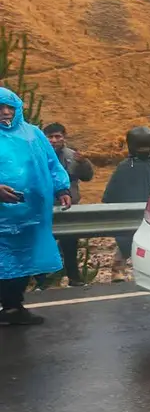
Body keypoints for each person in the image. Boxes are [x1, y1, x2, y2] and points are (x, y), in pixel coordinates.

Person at [0, 88, 72, 325]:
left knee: (23, 263)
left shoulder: (33, 135)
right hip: (2, 218)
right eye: (0, 107)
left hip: (31, 214)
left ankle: (13, 308)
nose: (6, 112)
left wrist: (62, 188)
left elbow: (52, 164)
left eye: (10, 107)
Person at [102, 126, 150, 282]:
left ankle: (148, 273)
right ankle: (119, 270)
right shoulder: (126, 167)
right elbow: (111, 195)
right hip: (134, 214)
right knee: (127, 243)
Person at [41, 122, 94, 287]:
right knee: (43, 245)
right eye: (50, 137)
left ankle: (74, 278)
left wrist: (83, 163)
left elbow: (87, 177)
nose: (54, 140)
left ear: (64, 137)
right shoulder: (38, 155)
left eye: (58, 136)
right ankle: (43, 282)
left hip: (68, 208)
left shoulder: (73, 156)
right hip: (44, 208)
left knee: (70, 244)